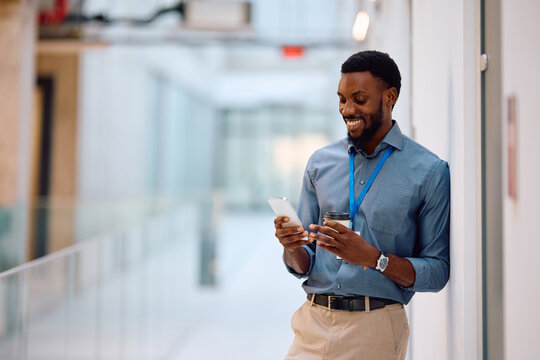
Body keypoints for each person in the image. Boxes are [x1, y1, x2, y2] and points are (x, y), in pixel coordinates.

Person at [273, 50, 450, 360]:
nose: (347, 109)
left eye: (359, 99)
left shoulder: (428, 171)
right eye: (342, 99)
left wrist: (374, 259)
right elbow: (306, 263)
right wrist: (291, 247)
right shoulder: (320, 164)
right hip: (312, 322)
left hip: (376, 328)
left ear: (390, 97)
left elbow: (437, 271)